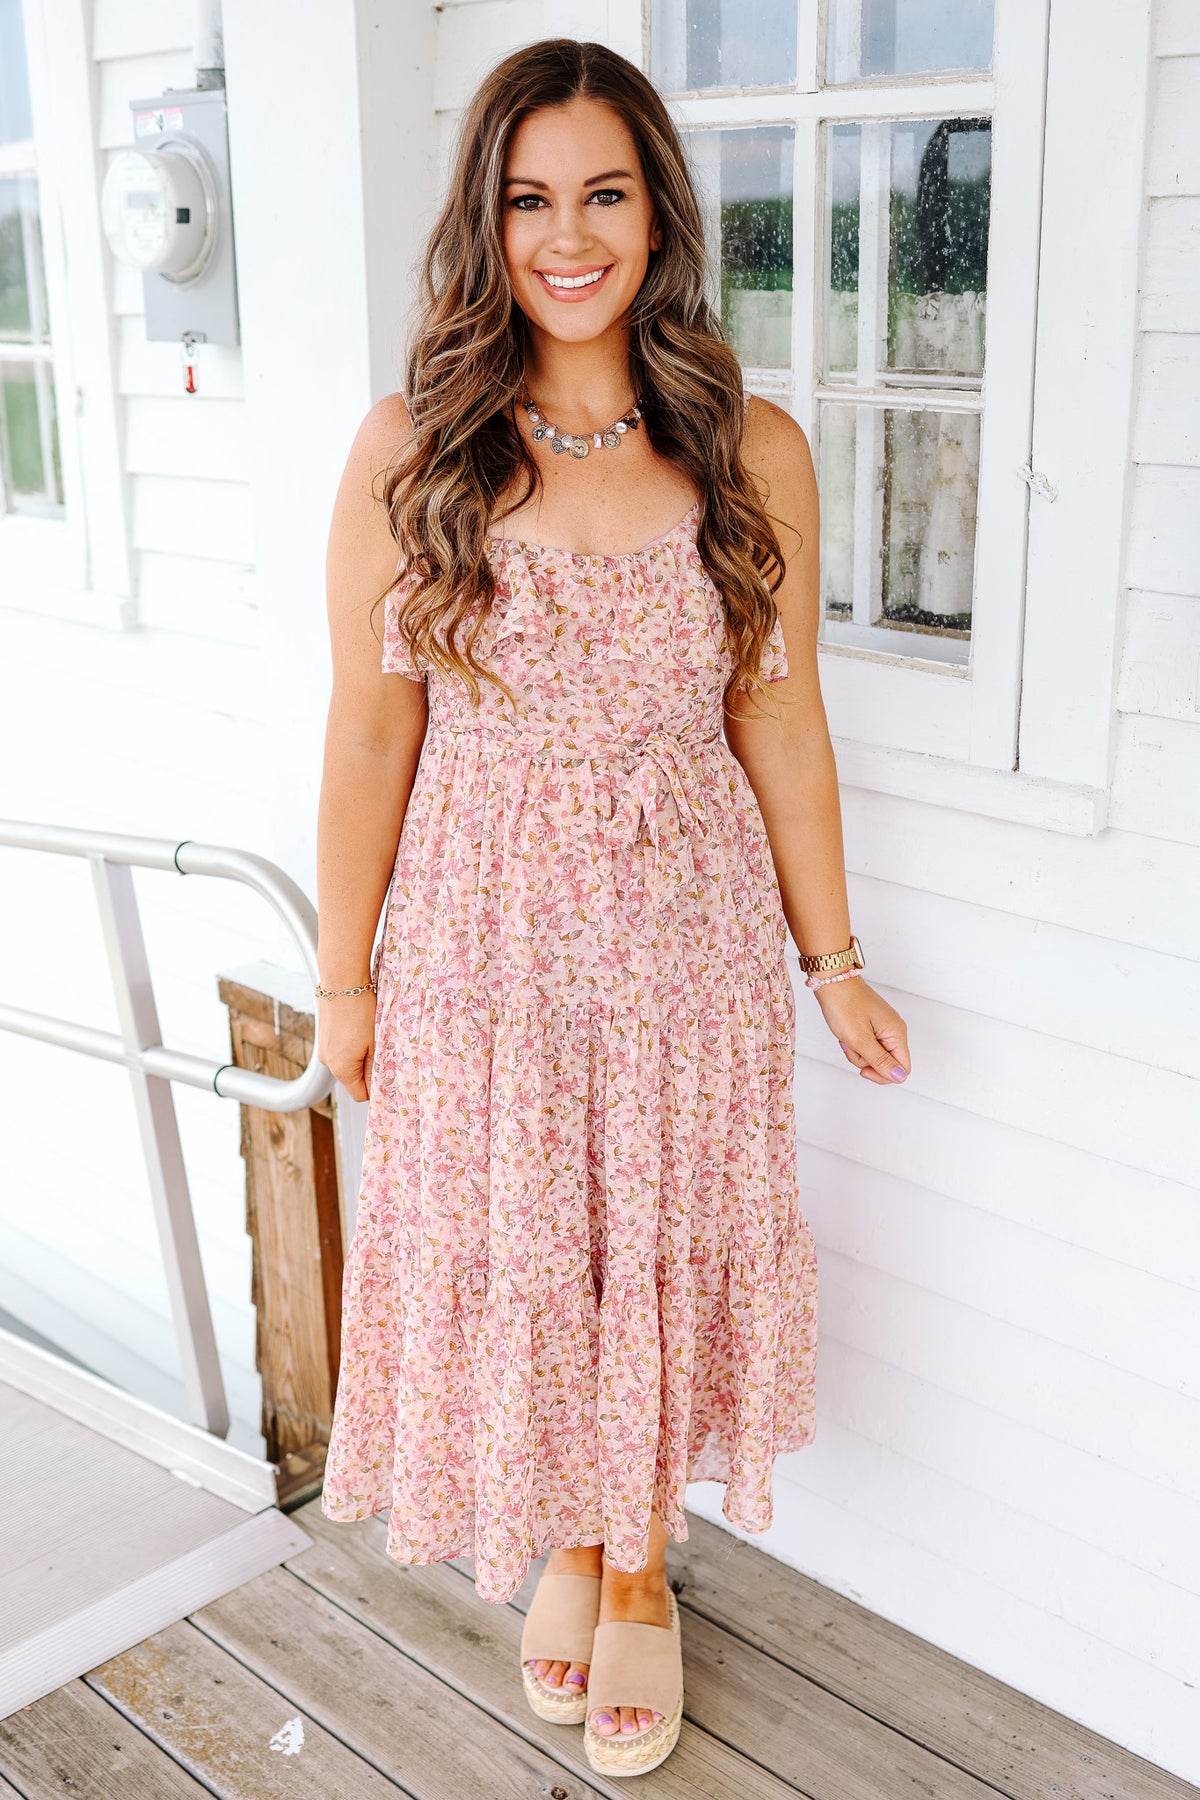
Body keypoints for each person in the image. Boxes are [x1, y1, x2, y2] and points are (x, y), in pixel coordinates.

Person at [314, 36, 911, 1780]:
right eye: (528, 200)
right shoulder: (412, 448)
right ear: (483, 220)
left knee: (651, 1233)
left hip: (682, 937)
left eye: (603, 195)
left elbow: (780, 716)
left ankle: (639, 1566)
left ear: (658, 214)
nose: (567, 237)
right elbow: (368, 729)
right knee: (532, 1246)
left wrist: (834, 960)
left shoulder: (747, 448)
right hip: (484, 935)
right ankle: (569, 1541)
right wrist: (345, 979)